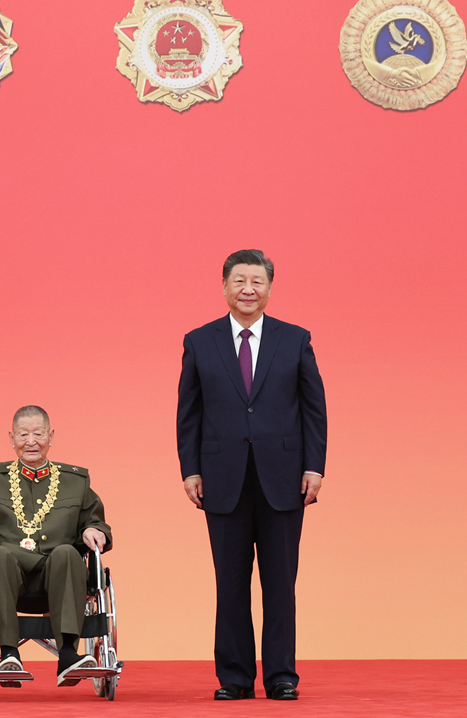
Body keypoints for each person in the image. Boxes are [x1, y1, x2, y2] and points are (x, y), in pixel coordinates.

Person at [176, 249, 327, 701]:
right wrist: (190, 470)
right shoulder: (199, 341)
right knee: (230, 584)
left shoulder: (295, 339)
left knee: (280, 585)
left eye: (257, 281)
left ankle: (281, 676)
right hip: (222, 478)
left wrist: (314, 466)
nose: (248, 289)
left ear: (269, 288)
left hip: (284, 478)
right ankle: (235, 678)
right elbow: (189, 413)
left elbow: (314, 409)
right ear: (224, 286)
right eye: (239, 281)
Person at [0, 405, 111, 687]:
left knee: (68, 553)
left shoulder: (76, 481)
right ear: (12, 439)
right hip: (7, 577)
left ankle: (68, 656)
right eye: (23, 434)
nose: (31, 441)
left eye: (38, 433)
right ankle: (9, 655)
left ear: (51, 436)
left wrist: (93, 529)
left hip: (59, 577)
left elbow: (97, 523)